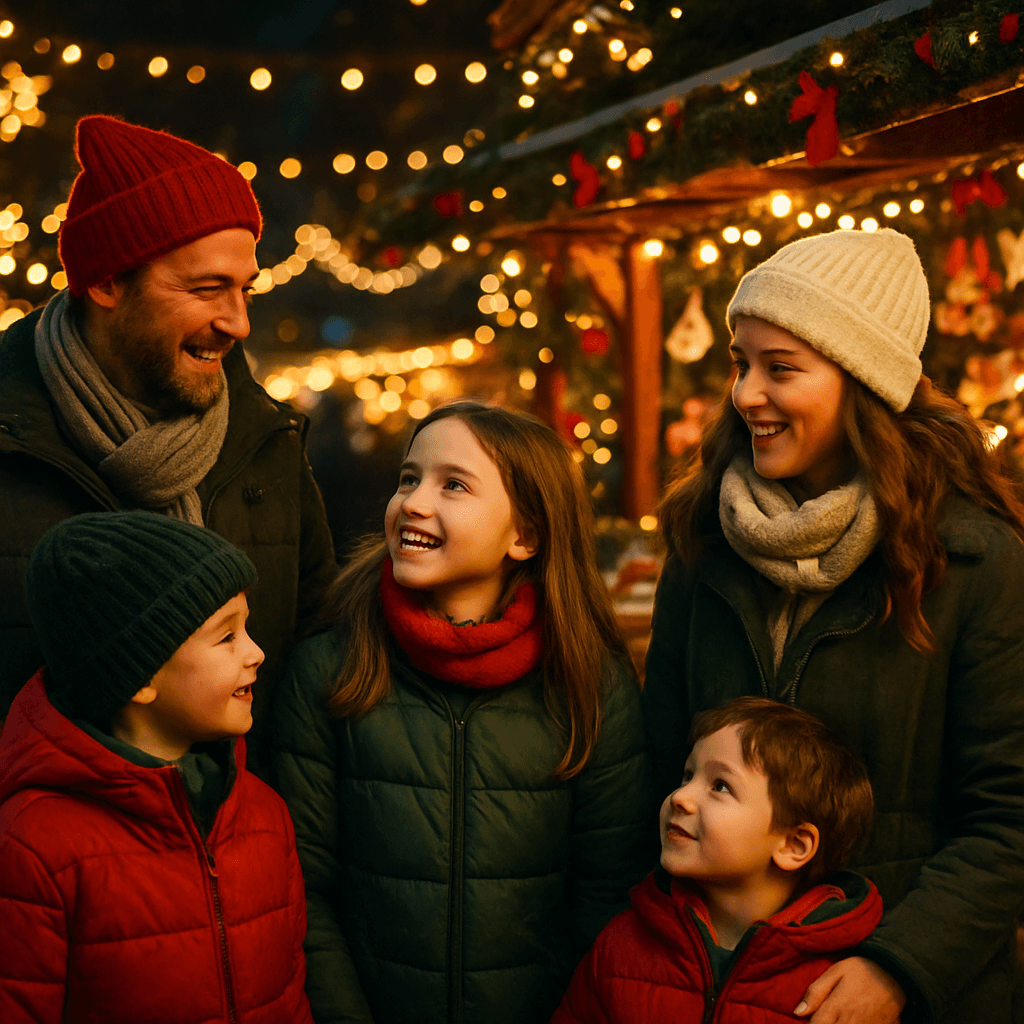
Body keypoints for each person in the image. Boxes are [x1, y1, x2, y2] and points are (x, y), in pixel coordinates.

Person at [643, 227, 1024, 1024]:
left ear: (865, 383)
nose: (747, 394)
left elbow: (1008, 817)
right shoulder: (703, 539)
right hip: (713, 983)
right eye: (741, 363)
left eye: (781, 368)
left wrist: (898, 968)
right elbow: (656, 759)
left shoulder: (974, 563)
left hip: (904, 991)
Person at [273, 401, 652, 1024]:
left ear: (524, 535)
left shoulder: (588, 682)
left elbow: (611, 892)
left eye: (454, 485)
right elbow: (301, 888)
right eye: (408, 478)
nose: (415, 502)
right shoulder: (331, 668)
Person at [0, 115, 336, 769]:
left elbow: (321, 661)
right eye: (206, 289)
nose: (238, 322)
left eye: (245, 290)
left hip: (238, 844)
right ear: (104, 282)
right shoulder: (11, 439)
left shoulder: (265, 441)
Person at [0, 511, 314, 1023]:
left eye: (247, 628)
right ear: (140, 677)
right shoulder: (36, 848)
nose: (256, 652)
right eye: (226, 636)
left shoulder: (264, 815)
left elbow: (291, 994)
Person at [551, 697, 881, 1024]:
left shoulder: (843, 987)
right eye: (687, 775)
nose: (680, 797)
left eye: (720, 786)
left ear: (793, 844)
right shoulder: (619, 949)